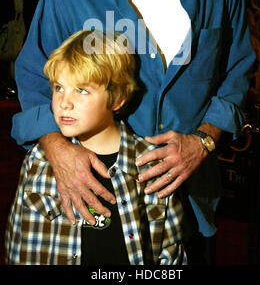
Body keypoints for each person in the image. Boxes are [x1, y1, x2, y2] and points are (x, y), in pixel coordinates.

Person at [12, 0, 256, 264]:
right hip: (96, 190)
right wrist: (58, 149)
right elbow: (34, 75)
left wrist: (204, 141)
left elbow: (237, 73)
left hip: (190, 195)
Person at [5, 30, 186, 265]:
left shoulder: (151, 165)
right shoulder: (39, 160)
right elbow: (17, 246)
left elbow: (170, 254)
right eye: (59, 87)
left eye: (81, 90)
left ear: (117, 98)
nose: (64, 103)